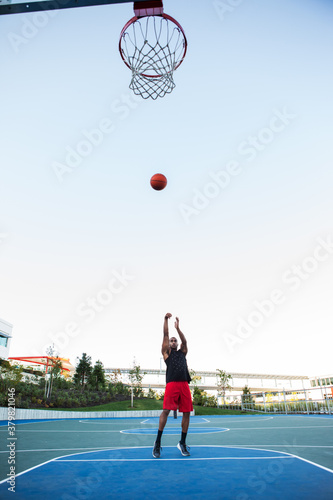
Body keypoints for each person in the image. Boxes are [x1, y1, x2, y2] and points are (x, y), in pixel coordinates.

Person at [153, 313, 193, 458]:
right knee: (166, 411)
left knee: (187, 412)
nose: (174, 341)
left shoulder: (183, 353)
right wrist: (165, 320)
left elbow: (185, 341)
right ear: (169, 344)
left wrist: (178, 328)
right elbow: (165, 334)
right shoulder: (167, 354)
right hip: (172, 385)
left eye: (175, 340)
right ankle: (157, 443)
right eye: (172, 340)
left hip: (184, 384)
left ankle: (182, 443)